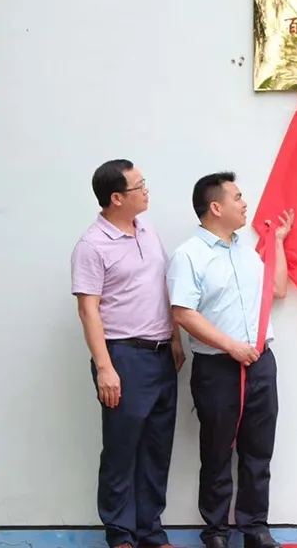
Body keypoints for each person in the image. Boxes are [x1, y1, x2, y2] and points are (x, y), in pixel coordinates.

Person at [166, 171, 293, 548]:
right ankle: (216, 532)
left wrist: (278, 242)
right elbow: (183, 313)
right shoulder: (188, 255)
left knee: (259, 450)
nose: (245, 203)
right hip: (218, 368)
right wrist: (231, 346)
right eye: (237, 197)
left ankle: (255, 528)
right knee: (217, 451)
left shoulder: (246, 250)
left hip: (260, 364)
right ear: (216, 207)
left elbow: (278, 289)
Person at [70, 159, 185, 548]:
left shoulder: (147, 231)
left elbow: (162, 287)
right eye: (139, 185)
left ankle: (151, 531)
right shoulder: (91, 246)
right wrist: (105, 367)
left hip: (161, 354)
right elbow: (88, 309)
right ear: (116, 198)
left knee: (157, 448)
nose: (146, 190)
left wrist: (175, 339)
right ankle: (120, 534)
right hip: (124, 357)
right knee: (122, 449)